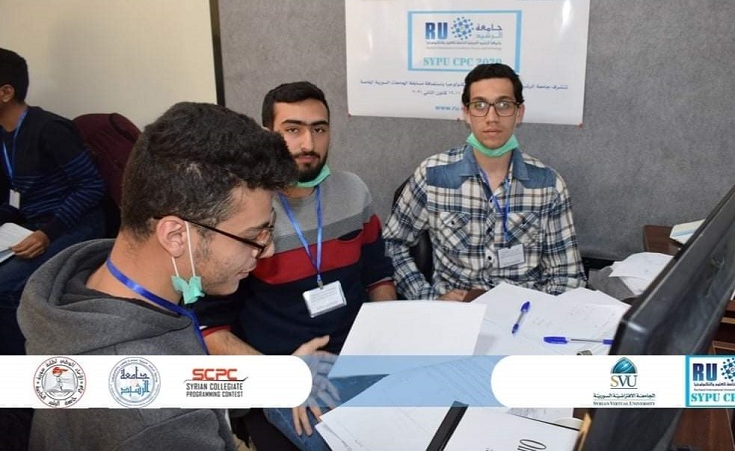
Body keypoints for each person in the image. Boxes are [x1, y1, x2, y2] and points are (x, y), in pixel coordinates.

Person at [17, 102, 298, 450]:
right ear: (176, 236)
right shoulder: (158, 421)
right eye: (254, 236)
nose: (267, 250)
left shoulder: (89, 283)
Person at [195, 81, 396, 450]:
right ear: (267, 135)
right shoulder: (241, 214)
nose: (308, 144)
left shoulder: (354, 192)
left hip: (358, 355)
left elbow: (378, 274)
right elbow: (209, 327)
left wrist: (384, 340)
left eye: (319, 129)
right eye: (292, 130)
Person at [384, 63, 585, 301]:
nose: (492, 117)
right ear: (466, 114)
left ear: (519, 113)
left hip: (521, 313)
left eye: (503, 105)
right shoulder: (433, 176)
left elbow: (567, 276)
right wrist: (429, 299)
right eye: (479, 105)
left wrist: (535, 311)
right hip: (453, 313)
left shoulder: (548, 185)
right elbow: (391, 244)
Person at [0, 48, 106, 356]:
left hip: (72, 222)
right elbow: (12, 194)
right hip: (30, 223)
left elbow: (91, 186)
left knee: (3, 287)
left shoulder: (50, 128)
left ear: (6, 92)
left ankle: (20, 373)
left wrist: (47, 233)